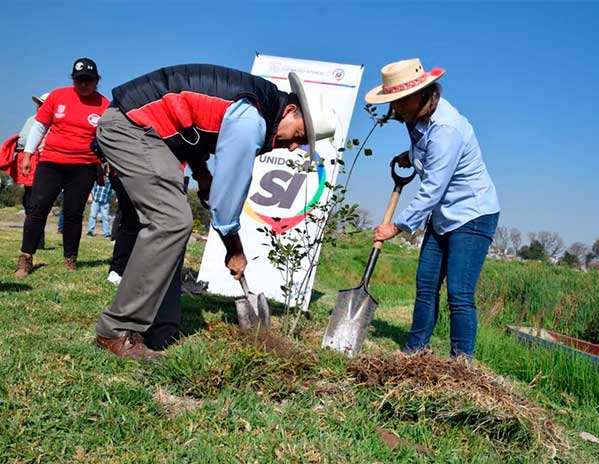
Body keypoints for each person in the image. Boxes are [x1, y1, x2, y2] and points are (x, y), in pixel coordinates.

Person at [93, 64, 335, 360]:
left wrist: (202, 175)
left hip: (152, 131)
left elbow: (188, 122)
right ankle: (116, 330)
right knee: (171, 222)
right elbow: (226, 199)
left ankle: (161, 326)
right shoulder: (251, 120)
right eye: (299, 135)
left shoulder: (256, 105)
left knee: (175, 224)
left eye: (301, 144)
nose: (292, 146)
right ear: (291, 111)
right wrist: (234, 248)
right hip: (131, 126)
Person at [367, 59, 500, 363]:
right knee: (426, 284)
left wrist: (397, 227)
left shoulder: (446, 129)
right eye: (393, 101)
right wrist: (410, 155)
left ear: (423, 93)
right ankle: (415, 353)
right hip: (443, 215)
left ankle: (461, 364)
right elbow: (431, 156)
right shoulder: (418, 118)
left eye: (401, 100)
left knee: (459, 294)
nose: (397, 107)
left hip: (472, 215)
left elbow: (433, 189)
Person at [14, 58, 109, 277]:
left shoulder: (105, 105)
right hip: (51, 163)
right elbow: (40, 126)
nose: (84, 85)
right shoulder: (58, 96)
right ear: (73, 79)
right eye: (79, 80)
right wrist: (28, 154)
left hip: (83, 166)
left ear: (97, 81)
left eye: (88, 80)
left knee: (73, 213)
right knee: (38, 208)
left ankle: (70, 259)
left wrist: (105, 164)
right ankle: (26, 258)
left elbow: (107, 139)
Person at [15, 93, 49, 248]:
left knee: (35, 202)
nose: (39, 106)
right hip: (28, 160)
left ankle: (37, 241)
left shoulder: (48, 123)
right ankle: (33, 238)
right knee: (28, 200)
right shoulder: (31, 119)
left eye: (42, 104)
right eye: (39, 104)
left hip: (39, 161)